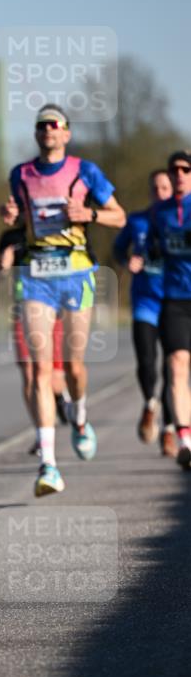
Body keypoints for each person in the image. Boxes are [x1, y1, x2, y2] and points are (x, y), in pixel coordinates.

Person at [1, 103, 125, 496]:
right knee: (40, 371)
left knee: (72, 366)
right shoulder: (20, 173)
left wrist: (88, 213)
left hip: (76, 273)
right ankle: (49, 465)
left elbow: (119, 216)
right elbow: (24, 217)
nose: (47, 130)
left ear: (66, 133)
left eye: (54, 125)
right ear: (36, 134)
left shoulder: (85, 171)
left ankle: (81, 417)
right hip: (37, 274)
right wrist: (12, 216)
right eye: (41, 125)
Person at [134, 150, 191, 470]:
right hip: (174, 300)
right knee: (177, 364)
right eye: (175, 169)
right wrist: (139, 257)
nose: (180, 174)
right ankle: (184, 439)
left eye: (186, 169)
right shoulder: (159, 214)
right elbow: (149, 248)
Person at [113, 169, 175, 455]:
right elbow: (117, 250)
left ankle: (169, 428)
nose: (160, 192)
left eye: (165, 188)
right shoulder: (137, 220)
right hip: (144, 301)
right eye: (156, 188)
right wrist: (128, 262)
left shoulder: (181, 221)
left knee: (173, 369)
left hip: (176, 302)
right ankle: (151, 403)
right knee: (147, 361)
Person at [0, 226, 70, 454]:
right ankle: (40, 433)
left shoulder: (53, 229)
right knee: (29, 374)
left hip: (54, 309)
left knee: (53, 378)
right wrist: (3, 267)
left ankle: (59, 397)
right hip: (23, 309)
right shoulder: (9, 237)